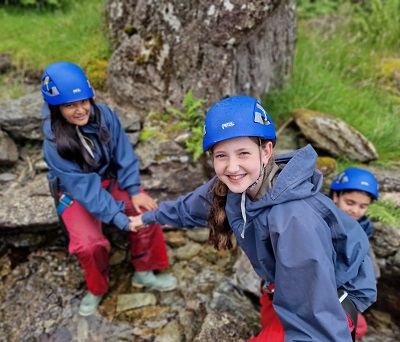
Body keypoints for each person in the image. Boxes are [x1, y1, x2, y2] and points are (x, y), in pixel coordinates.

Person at [129, 95, 377, 341]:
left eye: (243, 153)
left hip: (328, 300)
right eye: (221, 155)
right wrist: (149, 218)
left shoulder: (293, 219)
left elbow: (316, 325)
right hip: (283, 283)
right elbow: (190, 208)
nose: (232, 167)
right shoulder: (234, 187)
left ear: (266, 151)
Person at [40, 61, 177, 316]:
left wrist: (135, 190)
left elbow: (123, 153)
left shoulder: (104, 115)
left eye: (84, 101)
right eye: (70, 105)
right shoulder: (53, 142)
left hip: (108, 179)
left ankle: (144, 272)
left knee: (147, 211)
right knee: (88, 244)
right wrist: (119, 219)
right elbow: (85, 189)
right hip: (75, 191)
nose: (81, 110)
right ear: (56, 107)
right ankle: (97, 288)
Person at [330, 167, 380, 340]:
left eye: (363, 206)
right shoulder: (325, 223)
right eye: (350, 203)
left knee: (359, 326)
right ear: (335, 196)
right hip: (321, 292)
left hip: (343, 296)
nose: (356, 210)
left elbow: (367, 257)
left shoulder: (363, 229)